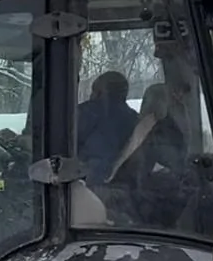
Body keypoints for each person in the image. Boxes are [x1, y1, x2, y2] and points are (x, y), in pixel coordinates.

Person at [103, 80, 193, 227]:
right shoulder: (175, 125)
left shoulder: (158, 133)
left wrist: (113, 175)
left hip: (154, 203)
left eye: (147, 100)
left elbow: (139, 160)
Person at [75, 71, 138, 184]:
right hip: (125, 183)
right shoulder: (135, 119)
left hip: (87, 182)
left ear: (100, 93)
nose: (91, 95)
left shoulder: (85, 113)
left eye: (93, 91)